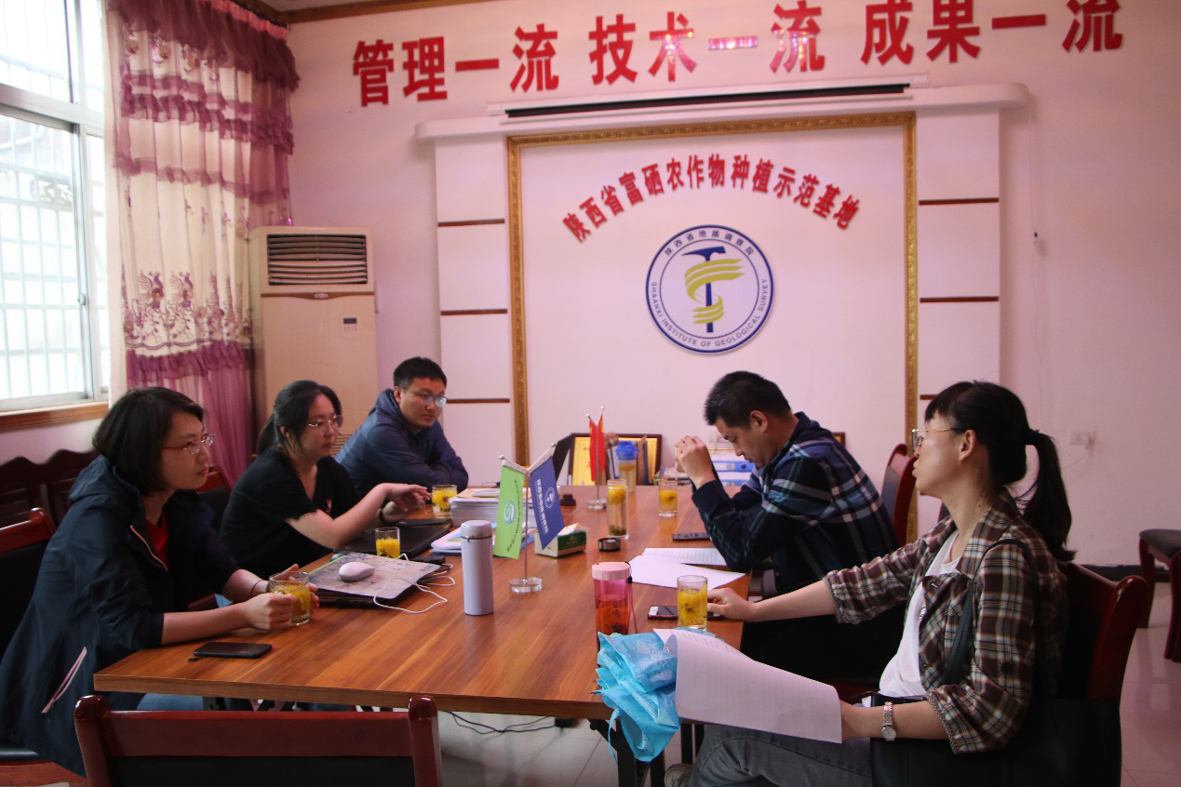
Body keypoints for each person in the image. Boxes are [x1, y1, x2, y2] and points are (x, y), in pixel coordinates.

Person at [666, 381, 1073, 787]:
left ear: (966, 445)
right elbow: (858, 585)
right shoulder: (951, 533)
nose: (917, 449)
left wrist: (859, 721)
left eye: (926, 436)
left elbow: (990, 713)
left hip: (932, 759)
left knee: (729, 739)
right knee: (738, 721)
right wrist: (754, 610)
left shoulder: (1002, 559)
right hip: (896, 717)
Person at [0, 388, 305, 776]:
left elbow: (219, 569)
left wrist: (264, 590)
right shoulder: (97, 521)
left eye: (203, 439)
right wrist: (244, 614)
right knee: (223, 719)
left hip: (145, 663)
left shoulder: (172, 497)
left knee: (247, 694)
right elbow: (135, 628)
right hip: (74, 692)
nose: (204, 454)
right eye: (189, 445)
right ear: (144, 452)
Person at [674, 371, 899, 680]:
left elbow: (739, 551)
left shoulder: (808, 461)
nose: (737, 451)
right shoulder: (785, 452)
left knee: (716, 654)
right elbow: (738, 518)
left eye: (734, 439)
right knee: (712, 636)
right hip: (818, 606)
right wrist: (703, 476)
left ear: (758, 421)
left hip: (854, 629)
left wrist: (703, 478)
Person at [221, 380, 430, 579]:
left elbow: (351, 521)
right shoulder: (271, 476)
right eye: (317, 423)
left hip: (306, 572)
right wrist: (382, 490)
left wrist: (385, 515)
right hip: (254, 585)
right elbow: (334, 536)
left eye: (333, 420)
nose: (331, 431)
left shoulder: (325, 466)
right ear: (287, 432)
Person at [335, 356, 468, 495]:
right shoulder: (380, 430)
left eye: (439, 398)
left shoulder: (429, 422)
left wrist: (436, 473)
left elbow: (461, 476)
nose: (432, 406)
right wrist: (443, 469)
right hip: (350, 507)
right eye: (424, 396)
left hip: (390, 506)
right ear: (398, 394)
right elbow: (428, 487)